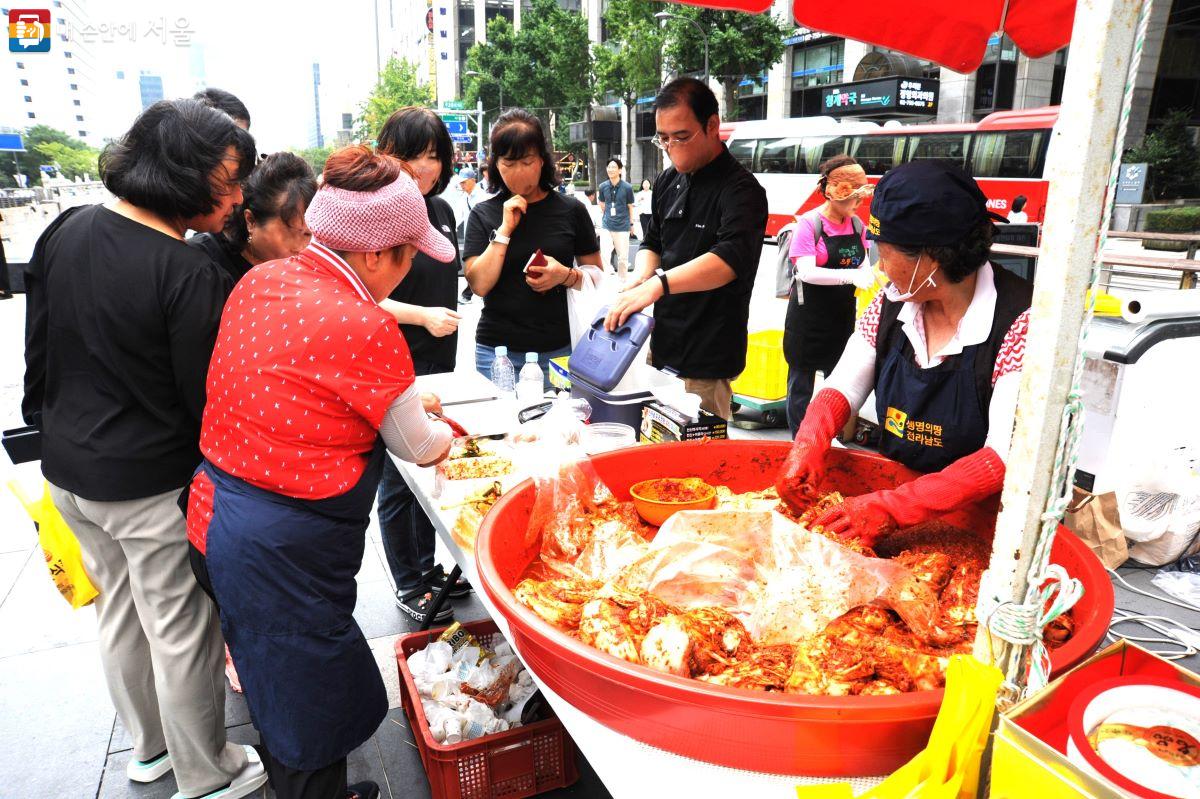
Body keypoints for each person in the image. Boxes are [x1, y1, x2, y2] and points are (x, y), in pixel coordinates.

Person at [188, 146, 456, 799]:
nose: (410, 266)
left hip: (213, 516)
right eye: (406, 253)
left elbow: (299, 383)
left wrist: (394, 397)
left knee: (275, 684)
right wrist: (444, 430)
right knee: (302, 707)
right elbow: (419, 447)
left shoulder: (263, 279)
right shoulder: (367, 327)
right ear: (371, 255)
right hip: (279, 553)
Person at [22, 99, 266, 799]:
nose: (236, 197)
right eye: (227, 180)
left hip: (68, 472)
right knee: (182, 625)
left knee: (120, 614)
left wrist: (47, 431)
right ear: (180, 176)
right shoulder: (187, 272)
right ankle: (208, 772)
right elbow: (205, 405)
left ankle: (151, 750)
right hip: (150, 484)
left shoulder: (66, 230)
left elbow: (38, 350)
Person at [776, 160, 1030, 548]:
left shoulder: (1019, 322)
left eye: (885, 251)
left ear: (931, 258)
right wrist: (809, 441)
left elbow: (1004, 455)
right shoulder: (893, 303)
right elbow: (843, 385)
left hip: (982, 524)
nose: (879, 265)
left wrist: (891, 509)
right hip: (896, 494)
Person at [604, 77, 767, 420]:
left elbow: (728, 260)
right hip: (661, 346)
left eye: (681, 137)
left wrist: (657, 285)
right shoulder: (667, 180)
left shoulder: (742, 190)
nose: (672, 147)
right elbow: (652, 241)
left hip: (707, 360)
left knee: (699, 465)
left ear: (712, 125)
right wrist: (641, 276)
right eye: (663, 139)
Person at [374, 106, 469, 623]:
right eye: (412, 154)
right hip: (392, 360)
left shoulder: (442, 210)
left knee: (430, 470)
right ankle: (408, 581)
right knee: (397, 479)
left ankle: (429, 568)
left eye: (434, 156)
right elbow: (359, 294)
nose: (423, 167)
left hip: (438, 363)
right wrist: (423, 316)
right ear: (387, 153)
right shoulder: (378, 209)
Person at [464, 108, 603, 383]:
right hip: (497, 352)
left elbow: (597, 277)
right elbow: (478, 284)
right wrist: (504, 231)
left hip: (560, 350)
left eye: (527, 162)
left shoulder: (571, 210)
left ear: (542, 160)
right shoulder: (483, 213)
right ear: (495, 164)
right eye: (508, 163)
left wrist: (564, 275)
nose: (518, 173)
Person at [783, 155, 875, 435]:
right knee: (801, 383)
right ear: (835, 193)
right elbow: (807, 272)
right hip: (808, 318)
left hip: (841, 316)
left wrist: (869, 274)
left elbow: (863, 263)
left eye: (862, 197)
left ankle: (829, 437)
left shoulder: (858, 226)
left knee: (837, 382)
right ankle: (799, 439)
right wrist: (851, 276)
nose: (858, 204)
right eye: (853, 197)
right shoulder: (809, 225)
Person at [189, 151, 316, 287]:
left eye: (307, 234)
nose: (301, 248)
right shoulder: (202, 264)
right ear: (251, 221)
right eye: (290, 233)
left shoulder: (306, 268)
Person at [597, 157, 635, 278]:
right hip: (607, 225)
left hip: (623, 226)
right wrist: (607, 216)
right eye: (609, 167)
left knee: (622, 257)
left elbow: (630, 207)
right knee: (604, 255)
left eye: (614, 167)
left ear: (620, 170)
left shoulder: (627, 188)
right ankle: (606, 280)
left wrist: (631, 224)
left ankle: (622, 281)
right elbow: (602, 204)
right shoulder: (603, 186)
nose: (611, 169)